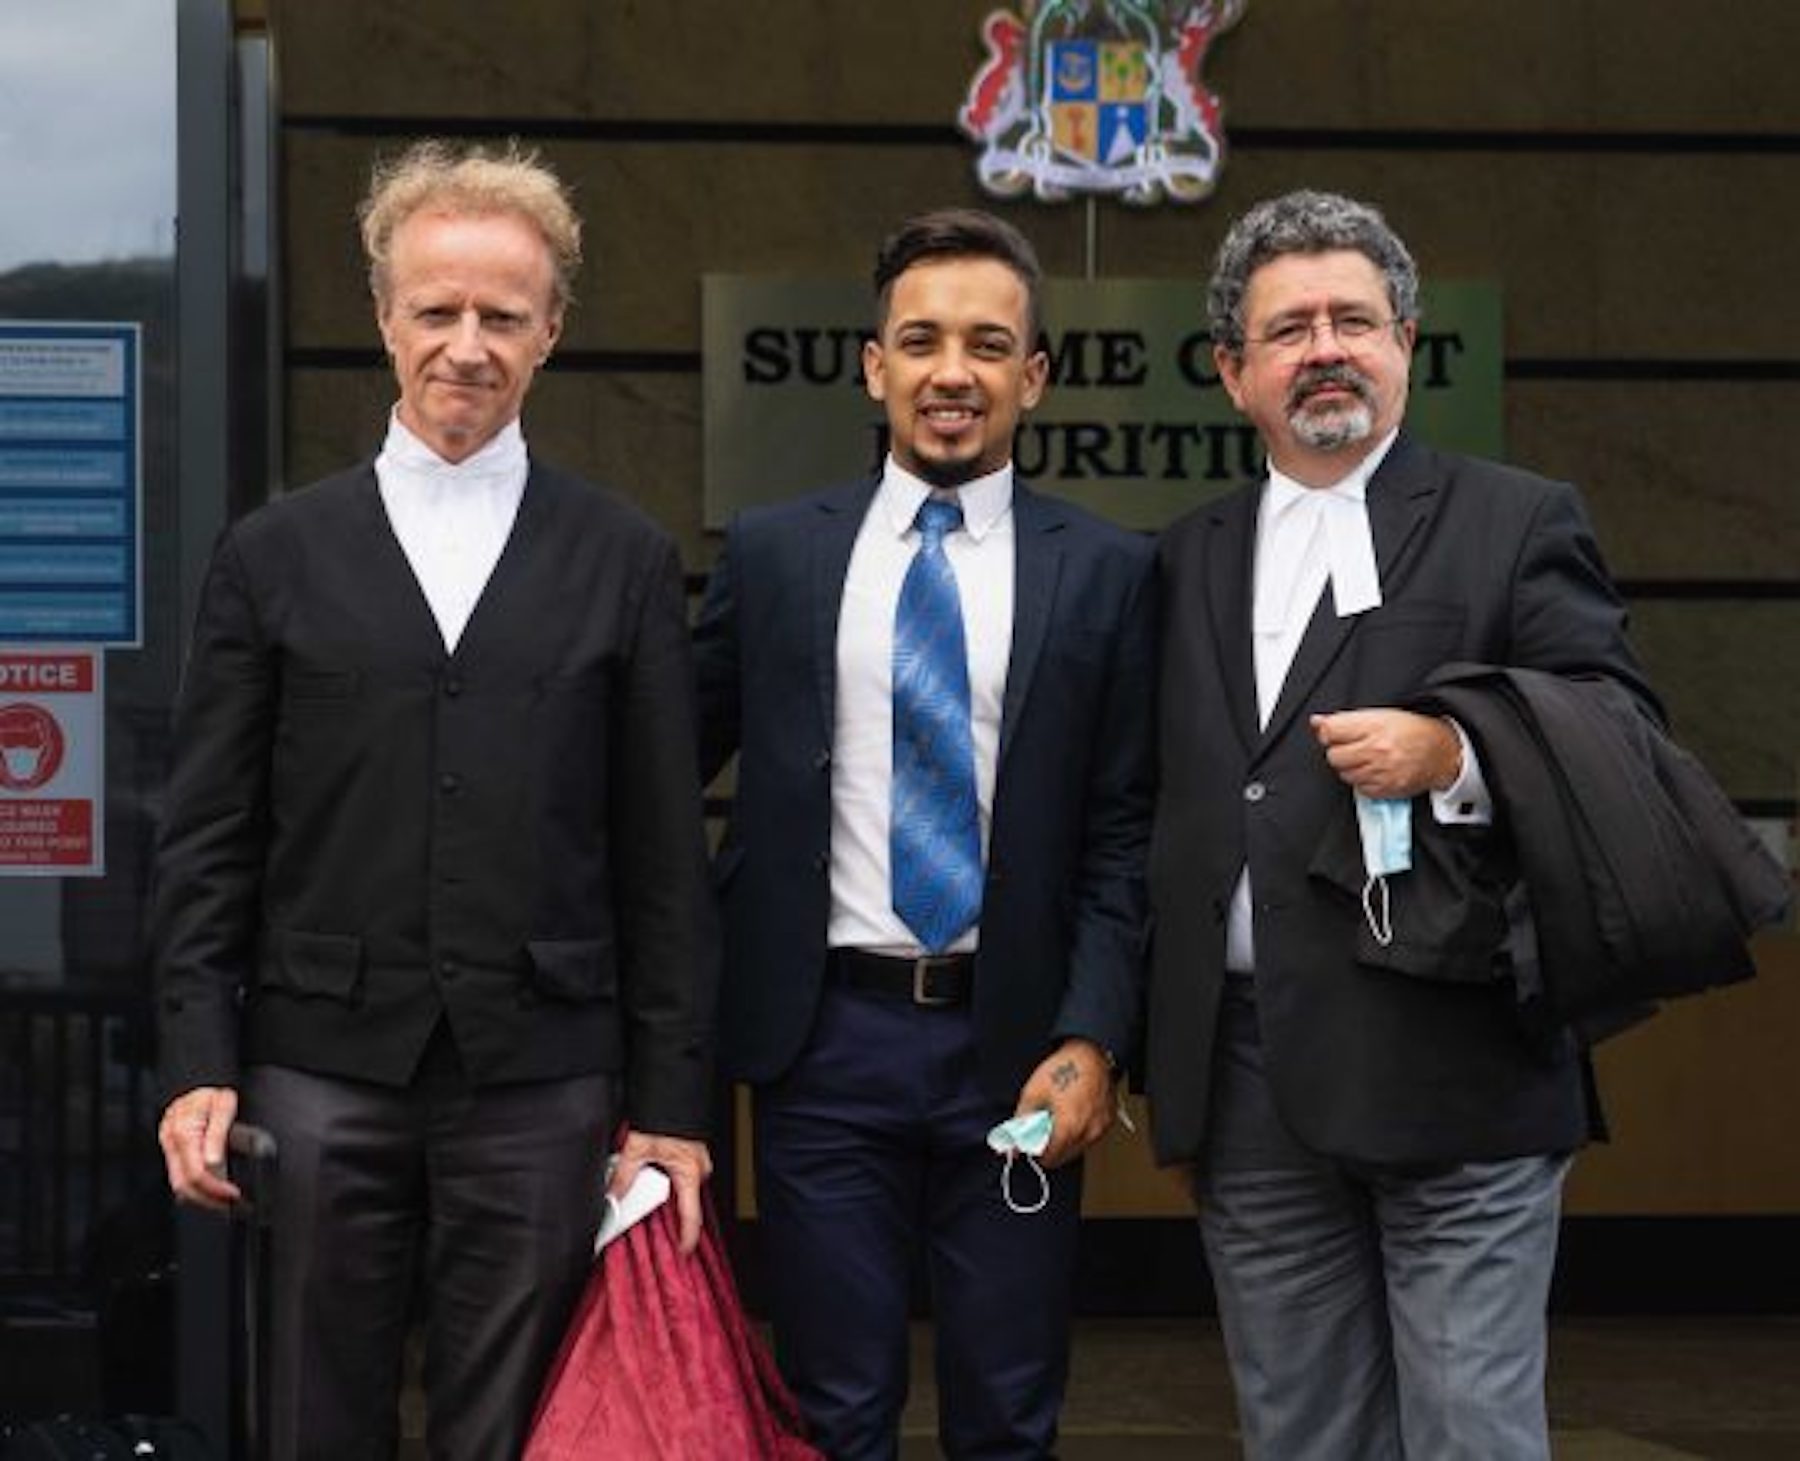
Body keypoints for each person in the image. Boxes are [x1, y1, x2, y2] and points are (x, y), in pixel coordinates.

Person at [152, 140, 717, 1460]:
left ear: (553, 330)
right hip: (318, 1068)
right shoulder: (271, 554)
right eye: (438, 310)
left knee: (516, 1428)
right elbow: (210, 832)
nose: (467, 345)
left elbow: (660, 853)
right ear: (383, 315)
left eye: (502, 315)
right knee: (313, 1415)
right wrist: (198, 1059)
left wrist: (674, 1100)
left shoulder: (626, 557)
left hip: (544, 1080)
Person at [1144, 187, 1662, 1460]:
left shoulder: (1515, 518)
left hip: (1462, 1060)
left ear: (1406, 344)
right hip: (1253, 1080)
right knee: (1302, 1434)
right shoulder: (1178, 560)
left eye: (1352, 319)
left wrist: (1461, 749)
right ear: (1232, 371)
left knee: (1470, 1431)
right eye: (1288, 328)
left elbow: (1620, 727)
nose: (1324, 347)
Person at [693, 208, 1155, 1460]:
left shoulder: (1111, 573)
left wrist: (1095, 1037)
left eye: (989, 344)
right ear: (873, 365)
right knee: (833, 1411)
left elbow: (1125, 834)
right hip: (821, 1044)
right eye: (923, 340)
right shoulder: (778, 555)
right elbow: (662, 769)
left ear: (1034, 376)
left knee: (1008, 1415)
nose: (954, 372)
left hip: (1018, 1053)